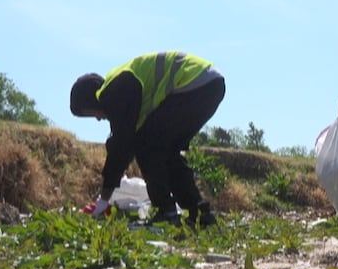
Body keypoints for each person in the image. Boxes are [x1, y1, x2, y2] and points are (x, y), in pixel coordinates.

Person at [70, 52, 225, 228]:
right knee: (166, 151)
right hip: (208, 83)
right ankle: (199, 214)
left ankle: (167, 213)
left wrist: (104, 199)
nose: (98, 119)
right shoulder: (121, 90)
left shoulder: (113, 91)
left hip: (194, 84)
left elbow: (122, 143)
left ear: (93, 101)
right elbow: (125, 140)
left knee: (146, 146)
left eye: (91, 114)